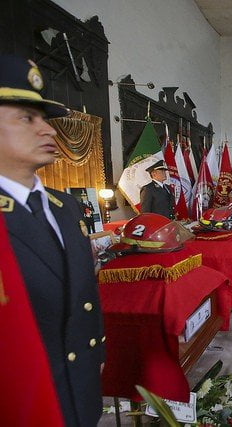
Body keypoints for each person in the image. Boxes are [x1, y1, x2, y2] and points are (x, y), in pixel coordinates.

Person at [0, 54, 104, 426]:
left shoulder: (66, 209)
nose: (48, 130)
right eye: (27, 118)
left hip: (80, 396)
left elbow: (83, 300)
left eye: (45, 118)